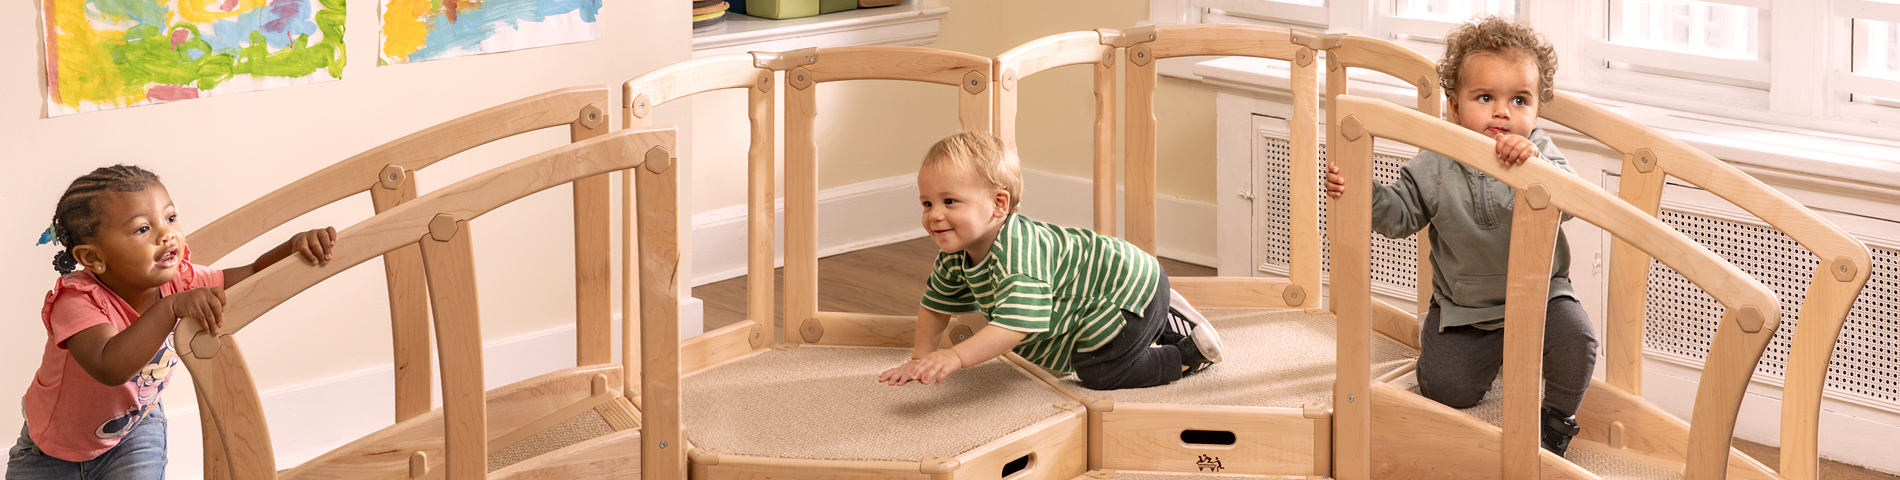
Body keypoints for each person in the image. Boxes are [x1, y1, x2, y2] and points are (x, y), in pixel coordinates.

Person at [1323, 15, 1597, 455]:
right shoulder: (1436, 159)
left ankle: (1556, 422)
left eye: (1520, 100)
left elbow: (1571, 204)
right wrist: (1359, 190)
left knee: (1577, 342)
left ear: (1537, 110)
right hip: (1464, 308)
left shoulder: (1540, 151)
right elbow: (1398, 214)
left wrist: (1534, 168)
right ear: (1454, 106)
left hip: (1543, 295)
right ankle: (1447, 344)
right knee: (1448, 388)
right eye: (1485, 97)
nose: (1503, 112)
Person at [10, 165, 337, 479]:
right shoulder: (78, 300)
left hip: (133, 434)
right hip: (49, 449)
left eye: (170, 217)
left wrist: (293, 247)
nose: (167, 235)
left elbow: (251, 274)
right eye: (142, 228)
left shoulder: (180, 280)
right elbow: (109, 366)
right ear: (94, 258)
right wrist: (170, 309)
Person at [877, 132, 1222, 391]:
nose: (935, 215)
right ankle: (1158, 319)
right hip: (1103, 291)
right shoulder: (954, 255)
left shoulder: (1017, 255)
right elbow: (936, 307)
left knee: (1100, 373)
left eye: (949, 201)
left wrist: (956, 356)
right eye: (927, 203)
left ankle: (1186, 354)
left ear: (999, 205)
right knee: (1081, 351)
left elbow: (1015, 325)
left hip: (1125, 288)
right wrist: (920, 360)